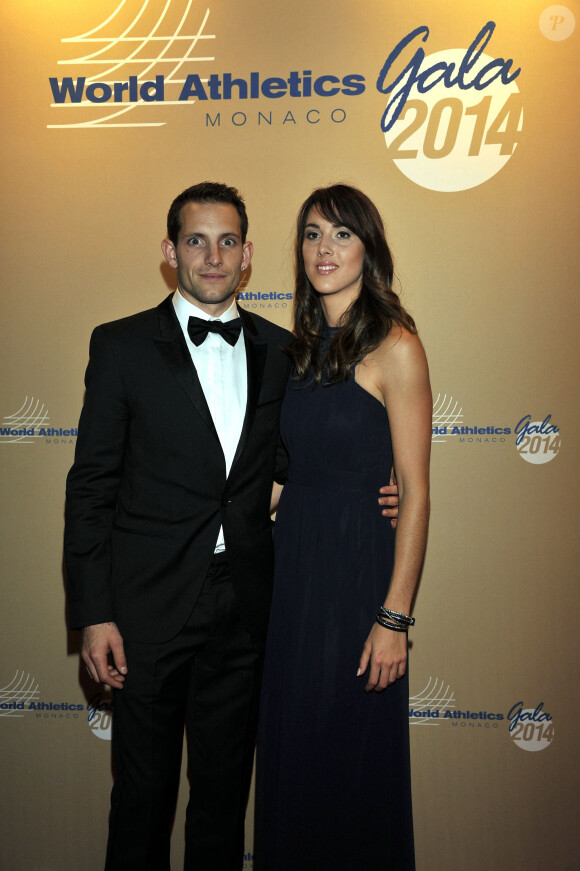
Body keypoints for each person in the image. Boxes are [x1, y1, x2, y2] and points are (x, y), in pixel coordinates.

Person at [64, 181, 400, 871]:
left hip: (246, 613)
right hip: (146, 612)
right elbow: (90, 487)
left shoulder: (286, 351)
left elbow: (300, 458)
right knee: (141, 804)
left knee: (221, 804)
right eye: (196, 240)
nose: (212, 257)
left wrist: (379, 484)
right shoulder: (121, 346)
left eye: (227, 243)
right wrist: (92, 611)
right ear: (170, 251)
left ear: (247, 256)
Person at [255, 184, 432, 870]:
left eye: (340, 234)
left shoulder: (397, 346)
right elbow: (280, 478)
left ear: (369, 249)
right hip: (293, 575)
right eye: (310, 234)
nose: (323, 249)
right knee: (295, 753)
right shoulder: (295, 351)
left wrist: (394, 616)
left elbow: (415, 492)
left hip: (358, 574)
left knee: (352, 763)